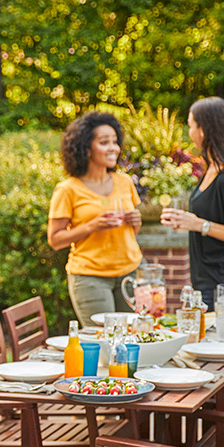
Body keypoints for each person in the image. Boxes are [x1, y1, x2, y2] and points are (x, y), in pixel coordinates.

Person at [160, 96, 224, 308]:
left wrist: (198, 225)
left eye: (190, 126)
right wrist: (187, 222)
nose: (189, 132)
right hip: (205, 283)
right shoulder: (210, 172)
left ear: (203, 130)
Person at [47, 111, 143, 326]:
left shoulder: (124, 182)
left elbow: (132, 233)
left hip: (130, 272)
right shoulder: (67, 189)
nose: (113, 148)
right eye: (104, 142)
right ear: (86, 148)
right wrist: (92, 226)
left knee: (133, 338)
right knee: (104, 341)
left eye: (115, 142)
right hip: (91, 277)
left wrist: (135, 222)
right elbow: (55, 240)